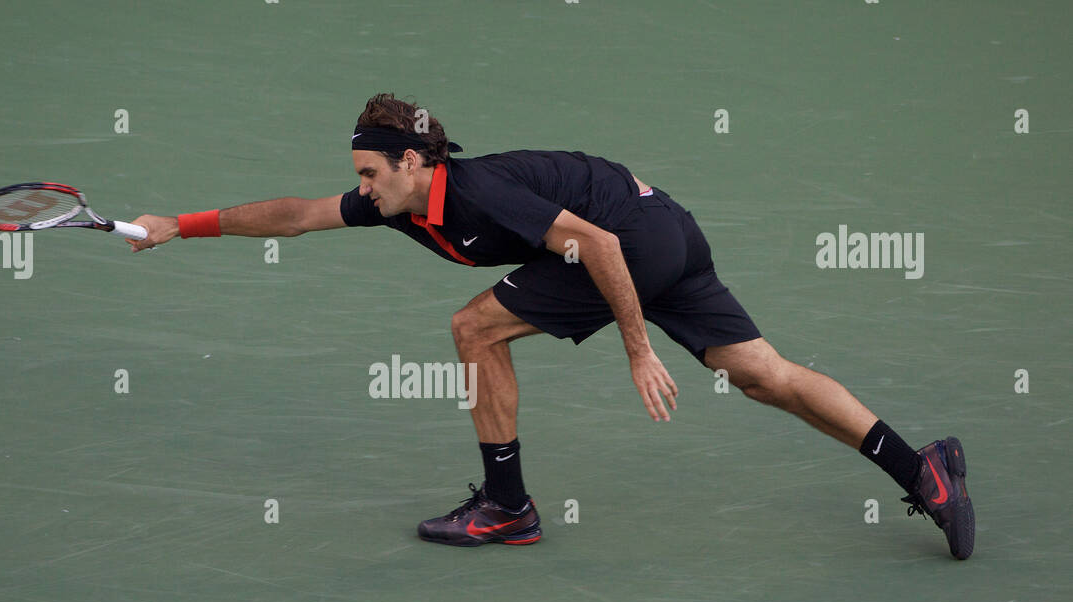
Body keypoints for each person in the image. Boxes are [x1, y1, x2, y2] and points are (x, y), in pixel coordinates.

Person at [127, 94, 974, 560]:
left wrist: (638, 349)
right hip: (671, 231)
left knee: (474, 329)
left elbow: (595, 241)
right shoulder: (397, 202)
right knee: (764, 373)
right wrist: (182, 223)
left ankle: (506, 508)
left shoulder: (478, 191)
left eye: (369, 172)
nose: (359, 186)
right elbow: (296, 215)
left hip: (626, 244)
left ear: (414, 163)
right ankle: (923, 468)